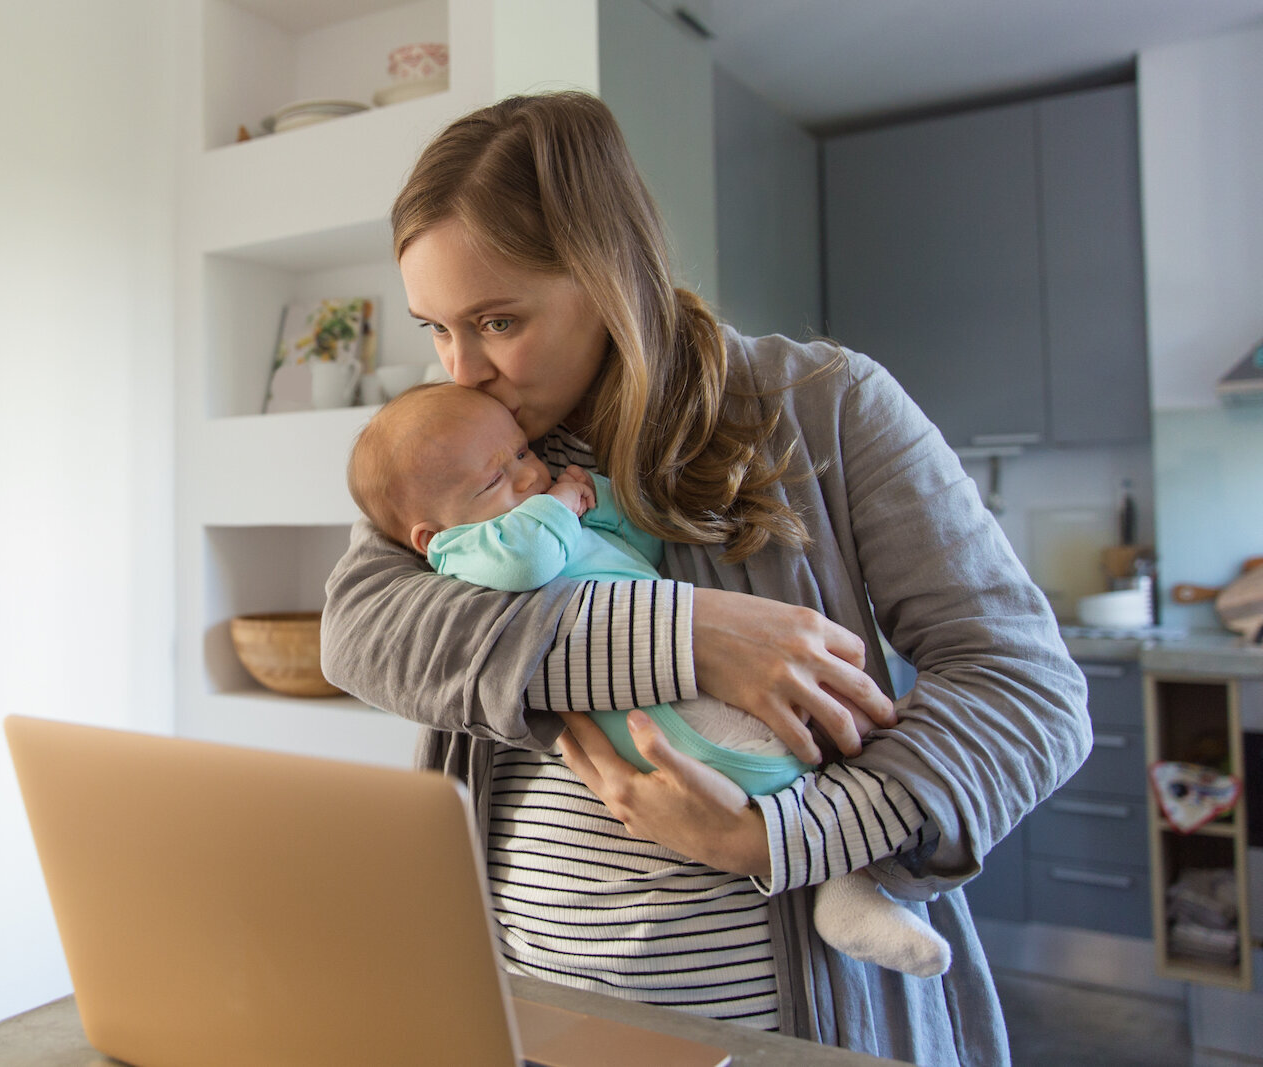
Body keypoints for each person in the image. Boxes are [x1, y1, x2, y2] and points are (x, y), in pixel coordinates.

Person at [321, 91, 1089, 1064]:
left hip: (792, 1027)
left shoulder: (826, 407)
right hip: (526, 1016)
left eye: (498, 320)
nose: (460, 367)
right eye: (434, 326)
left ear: (609, 276)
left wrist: (789, 834)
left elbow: (1028, 687)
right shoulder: (457, 437)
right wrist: (685, 636)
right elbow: (361, 629)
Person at [347, 380, 953, 977]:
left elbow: (642, 545)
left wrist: (600, 502)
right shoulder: (466, 547)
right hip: (654, 733)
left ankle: (848, 890)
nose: (529, 476)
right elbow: (516, 565)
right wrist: (566, 507)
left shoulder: (833, 394)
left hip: (701, 731)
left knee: (833, 747)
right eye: (494, 479)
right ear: (428, 537)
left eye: (523, 453)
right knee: (768, 766)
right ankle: (840, 886)